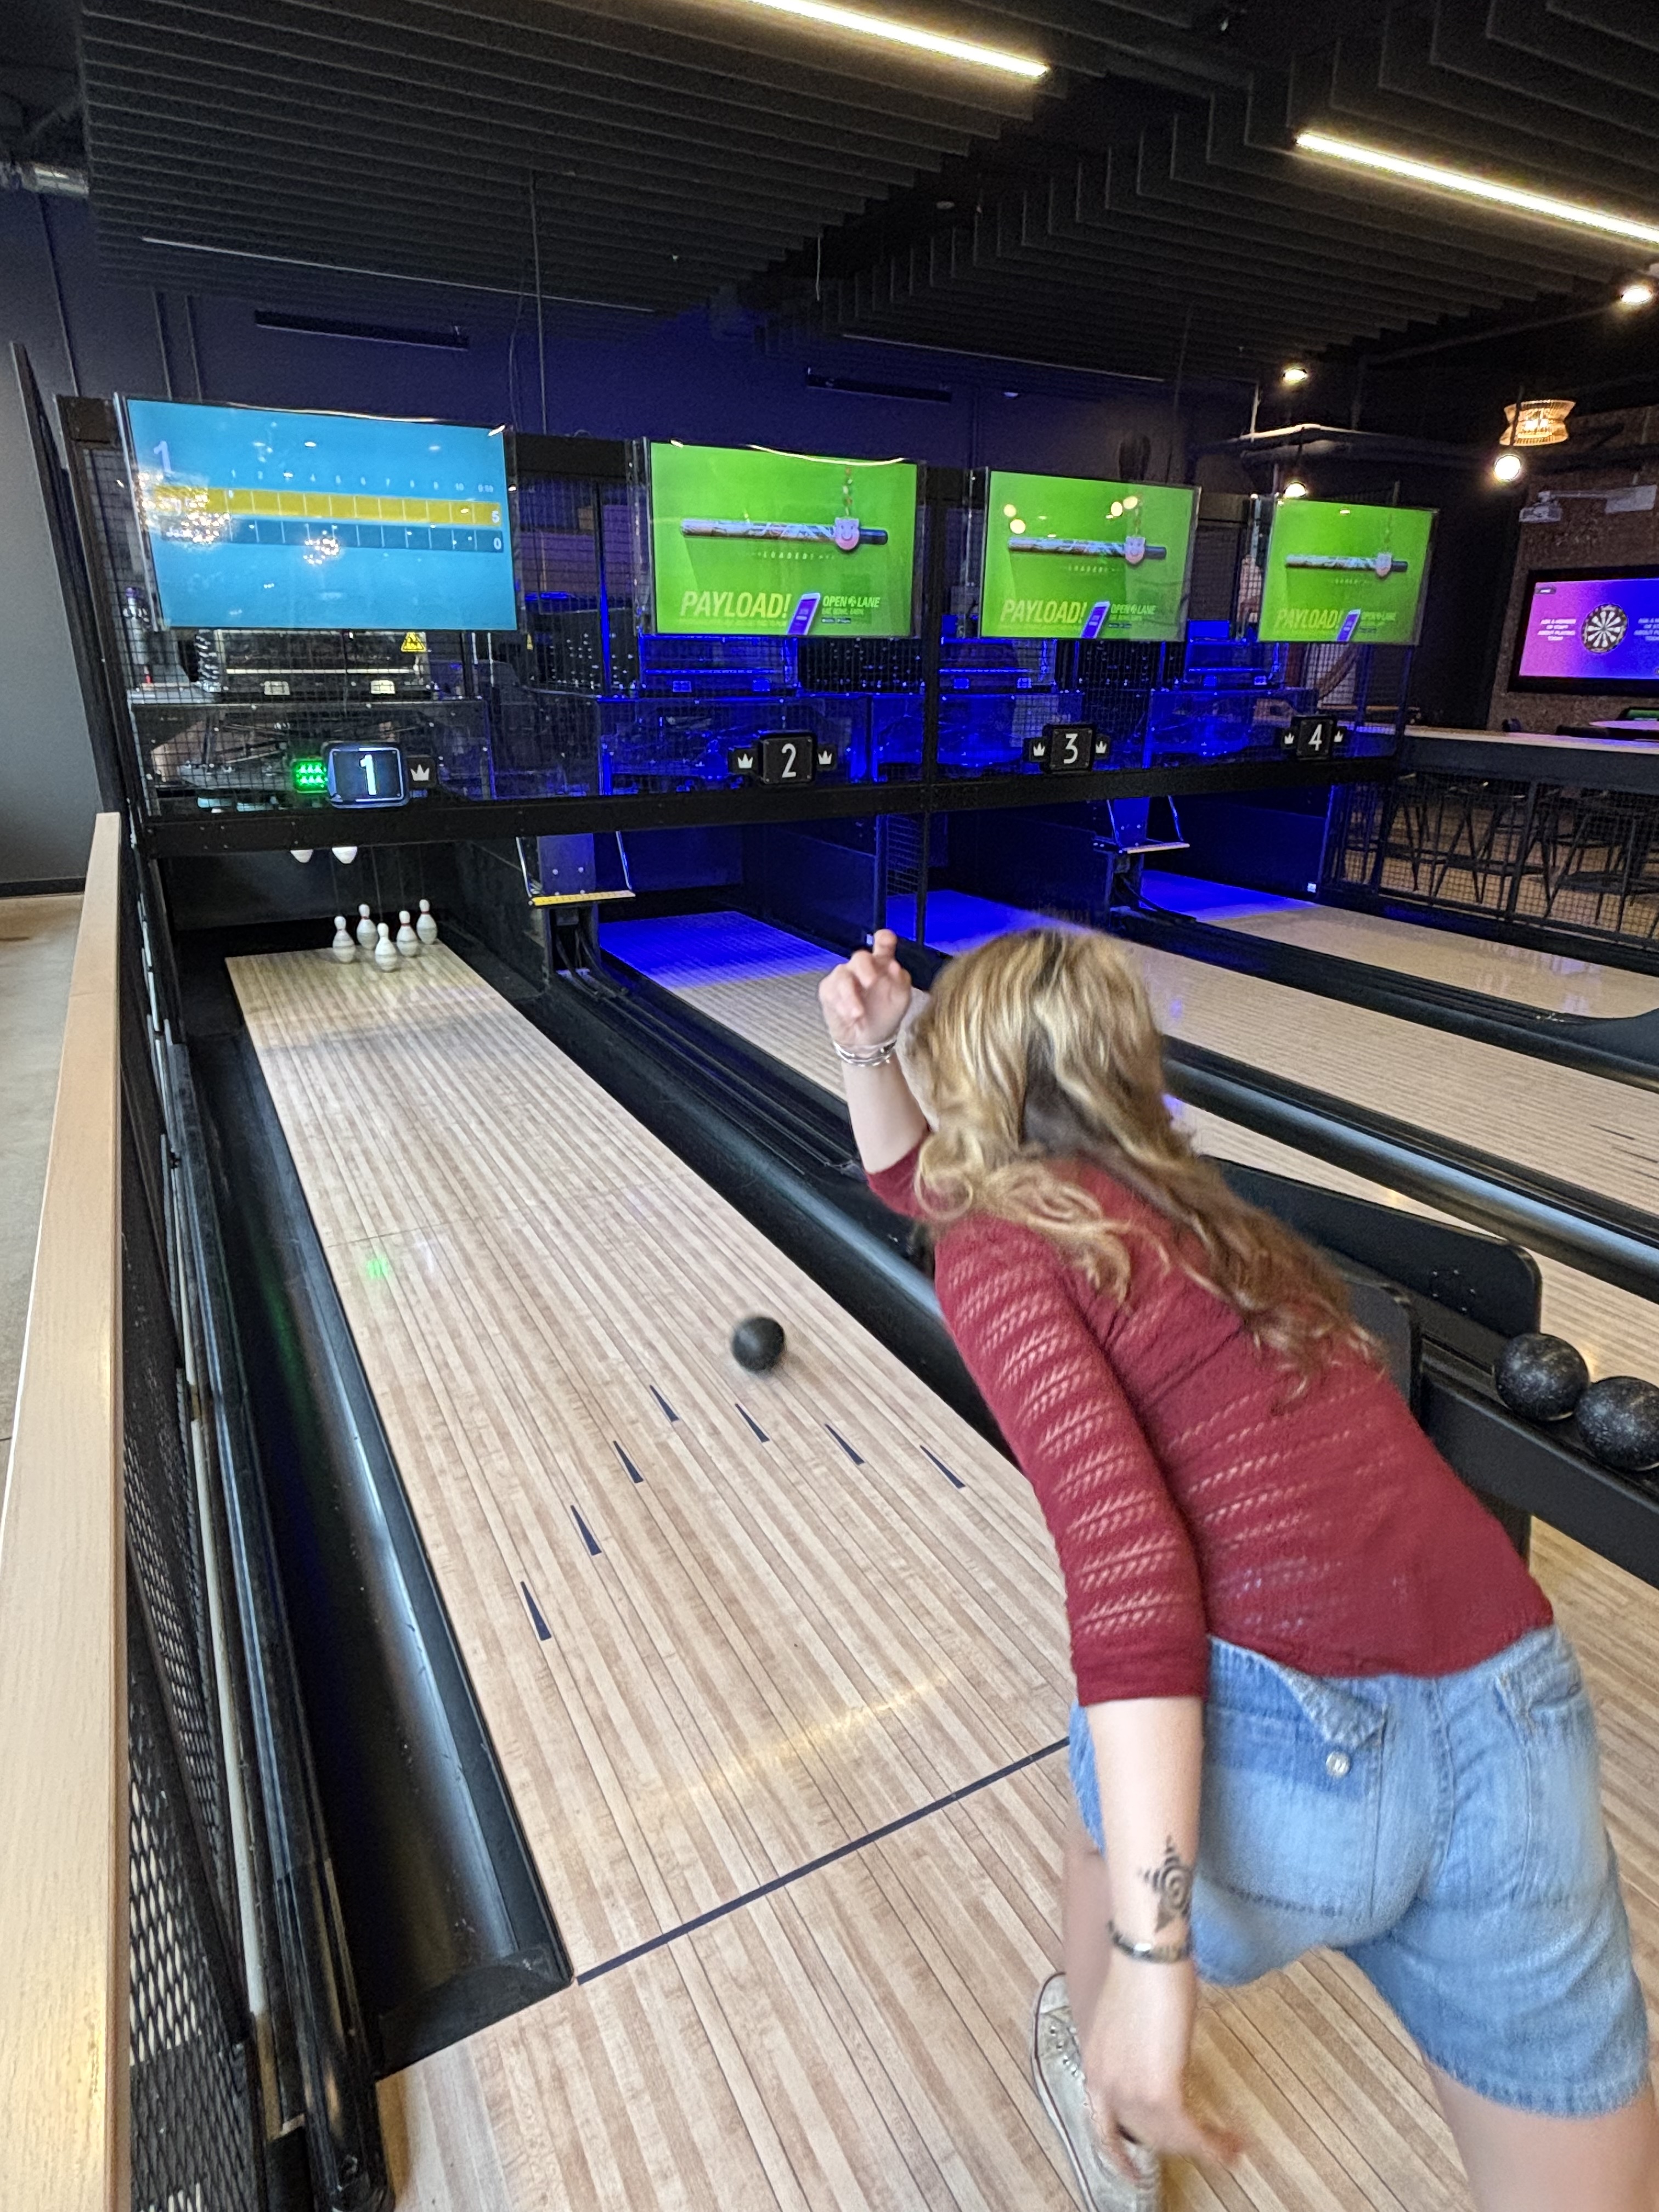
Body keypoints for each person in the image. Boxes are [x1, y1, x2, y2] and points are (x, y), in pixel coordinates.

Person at [817, 926, 1657, 2212]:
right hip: (1518, 1712)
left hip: (1290, 1754)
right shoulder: (1216, 1223)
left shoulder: (998, 1245)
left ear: (973, 1082)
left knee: (1106, 1815)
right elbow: (924, 1181)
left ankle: (1108, 2098)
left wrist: (1160, 1965)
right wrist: (868, 1049)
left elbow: (1129, 1576)